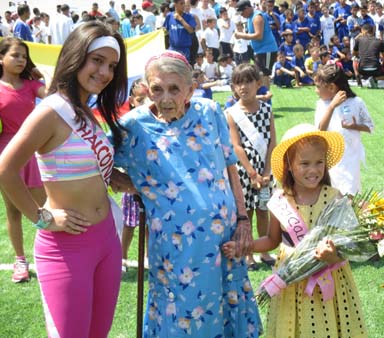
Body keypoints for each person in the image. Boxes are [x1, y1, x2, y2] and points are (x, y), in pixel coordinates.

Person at [111, 50, 262, 337]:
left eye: (174, 89)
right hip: (175, 246)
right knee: (181, 311)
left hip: (224, 237)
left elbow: (231, 167)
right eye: (157, 89)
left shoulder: (210, 112)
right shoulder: (134, 126)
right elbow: (99, 161)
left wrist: (243, 220)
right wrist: (142, 185)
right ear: (146, 88)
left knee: (223, 308)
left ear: (190, 89)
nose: (165, 98)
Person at [0, 21, 127, 337]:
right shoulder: (52, 111)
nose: (105, 72)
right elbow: (5, 169)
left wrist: (119, 178)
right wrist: (41, 218)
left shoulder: (85, 108)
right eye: (97, 60)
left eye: (111, 65)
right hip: (66, 248)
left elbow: (83, 167)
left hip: (107, 240)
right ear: (76, 55)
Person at [222, 123, 368, 338]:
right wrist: (244, 247)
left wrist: (333, 256)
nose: (314, 170)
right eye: (305, 163)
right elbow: (272, 240)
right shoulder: (281, 201)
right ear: (289, 164)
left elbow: (351, 245)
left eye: (319, 163)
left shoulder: (334, 197)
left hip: (330, 278)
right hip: (292, 281)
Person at [0, 37, 48, 283]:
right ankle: (20, 260)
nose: (20, 60)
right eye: (15, 55)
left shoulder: (32, 85)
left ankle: (56, 250)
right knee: (13, 211)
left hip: (34, 150)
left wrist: (40, 75)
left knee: (47, 206)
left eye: (23, 56)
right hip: (7, 153)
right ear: (1, 58)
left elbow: (53, 97)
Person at [225, 63, 276, 270]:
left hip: (265, 169)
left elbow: (272, 141)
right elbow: (236, 146)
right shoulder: (231, 113)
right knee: (246, 212)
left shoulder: (267, 109)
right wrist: (253, 173)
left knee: (264, 210)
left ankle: (263, 250)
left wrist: (265, 172)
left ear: (258, 84)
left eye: (248, 82)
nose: (243, 87)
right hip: (244, 172)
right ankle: (248, 253)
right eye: (238, 83)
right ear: (233, 88)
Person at [314, 64, 374, 197]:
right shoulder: (321, 105)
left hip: (349, 158)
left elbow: (369, 127)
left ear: (332, 87)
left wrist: (354, 126)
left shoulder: (356, 102)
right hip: (329, 159)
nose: (315, 91)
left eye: (318, 87)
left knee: (348, 196)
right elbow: (320, 130)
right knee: (330, 196)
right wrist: (332, 106)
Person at [121, 78, 149, 273]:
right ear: (131, 100)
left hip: (150, 185)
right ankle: (121, 257)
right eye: (140, 100)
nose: (144, 104)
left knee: (150, 224)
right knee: (128, 225)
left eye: (147, 99)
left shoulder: (154, 123)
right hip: (131, 184)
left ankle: (150, 256)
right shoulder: (126, 125)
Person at [235, 0, 278, 88]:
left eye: (242, 12)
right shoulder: (250, 17)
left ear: (247, 8)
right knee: (258, 75)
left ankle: (266, 99)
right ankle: (262, 97)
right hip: (260, 50)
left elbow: (259, 36)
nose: (241, 15)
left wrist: (241, 35)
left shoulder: (257, 17)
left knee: (263, 75)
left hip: (267, 50)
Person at [353, 23, 384, 88]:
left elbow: (353, 54)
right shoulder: (379, 41)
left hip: (362, 69)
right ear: (373, 31)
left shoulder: (359, 40)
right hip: (376, 69)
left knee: (354, 60)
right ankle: (374, 79)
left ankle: (359, 82)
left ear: (363, 31)